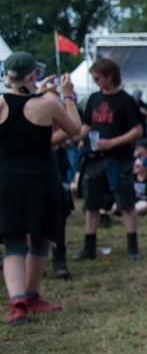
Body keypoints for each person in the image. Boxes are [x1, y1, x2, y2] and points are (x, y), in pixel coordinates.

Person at [1, 52, 81, 325]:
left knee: (12, 241)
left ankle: (18, 303)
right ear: (33, 75)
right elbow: (75, 129)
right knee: (41, 236)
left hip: (7, 178)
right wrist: (66, 96)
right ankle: (32, 295)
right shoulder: (48, 103)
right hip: (40, 178)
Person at [74, 58, 145, 261]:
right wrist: (75, 137)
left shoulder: (126, 100)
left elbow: (137, 130)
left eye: (98, 77)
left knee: (126, 202)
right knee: (91, 202)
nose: (95, 81)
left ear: (109, 76)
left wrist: (112, 142)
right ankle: (89, 247)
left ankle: (132, 245)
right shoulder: (94, 98)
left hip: (119, 158)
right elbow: (87, 125)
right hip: (95, 158)